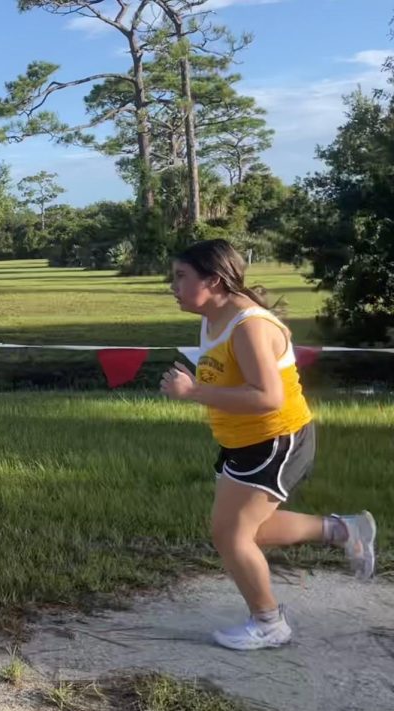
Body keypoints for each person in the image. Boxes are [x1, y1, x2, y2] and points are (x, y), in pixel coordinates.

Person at [161, 239, 377, 651]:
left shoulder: (249, 325)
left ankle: (268, 623)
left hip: (274, 440)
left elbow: (268, 396)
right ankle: (343, 529)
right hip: (243, 441)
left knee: (231, 536)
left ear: (214, 280)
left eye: (181, 277)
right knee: (246, 530)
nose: (173, 286)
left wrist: (192, 393)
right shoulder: (213, 317)